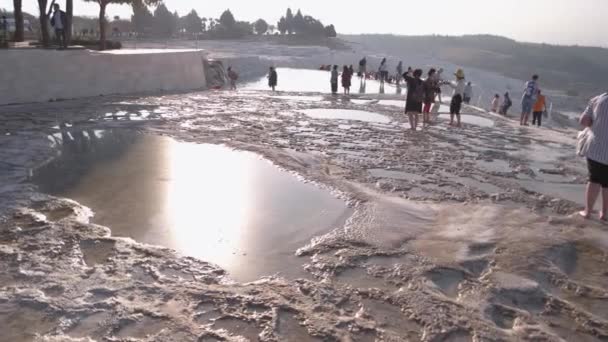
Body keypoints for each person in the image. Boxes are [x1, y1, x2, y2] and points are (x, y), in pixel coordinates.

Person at [578, 93, 608, 221]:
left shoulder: (598, 99)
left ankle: (588, 212)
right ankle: (605, 214)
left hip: (596, 147)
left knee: (594, 179)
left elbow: (584, 121)